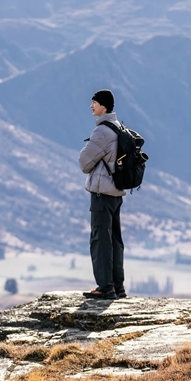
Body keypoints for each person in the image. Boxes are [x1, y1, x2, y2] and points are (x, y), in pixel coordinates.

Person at [79, 88, 126, 300]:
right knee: (115, 239)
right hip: (116, 192)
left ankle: (105, 287)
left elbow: (84, 162)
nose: (91, 106)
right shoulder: (118, 127)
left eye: (94, 103)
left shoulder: (101, 132)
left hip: (101, 193)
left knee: (100, 239)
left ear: (104, 106)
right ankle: (118, 286)